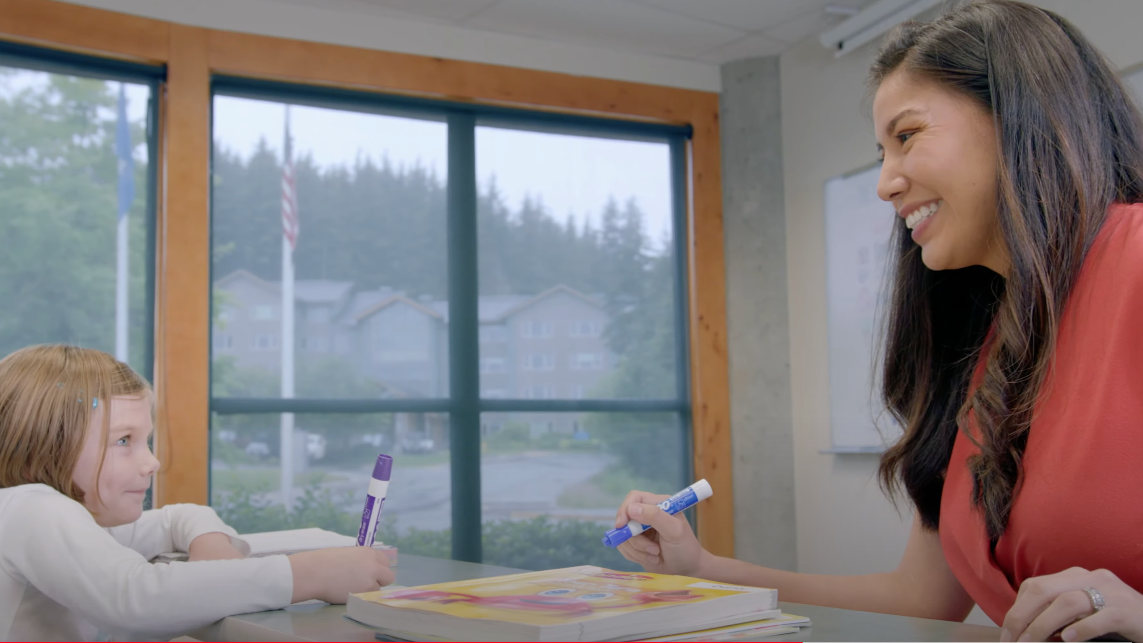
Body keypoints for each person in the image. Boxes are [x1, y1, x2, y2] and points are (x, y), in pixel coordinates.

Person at [613, 1, 1143, 641]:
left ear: (1021, 115)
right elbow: (918, 598)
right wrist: (699, 567)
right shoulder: (987, 349)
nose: (885, 183)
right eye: (882, 150)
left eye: (908, 135)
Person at [0, 344, 395, 640]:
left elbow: (178, 516)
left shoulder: (78, 521)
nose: (151, 462)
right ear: (47, 444)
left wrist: (210, 544)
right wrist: (309, 575)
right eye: (124, 441)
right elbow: (134, 598)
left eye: (146, 440)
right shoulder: (30, 507)